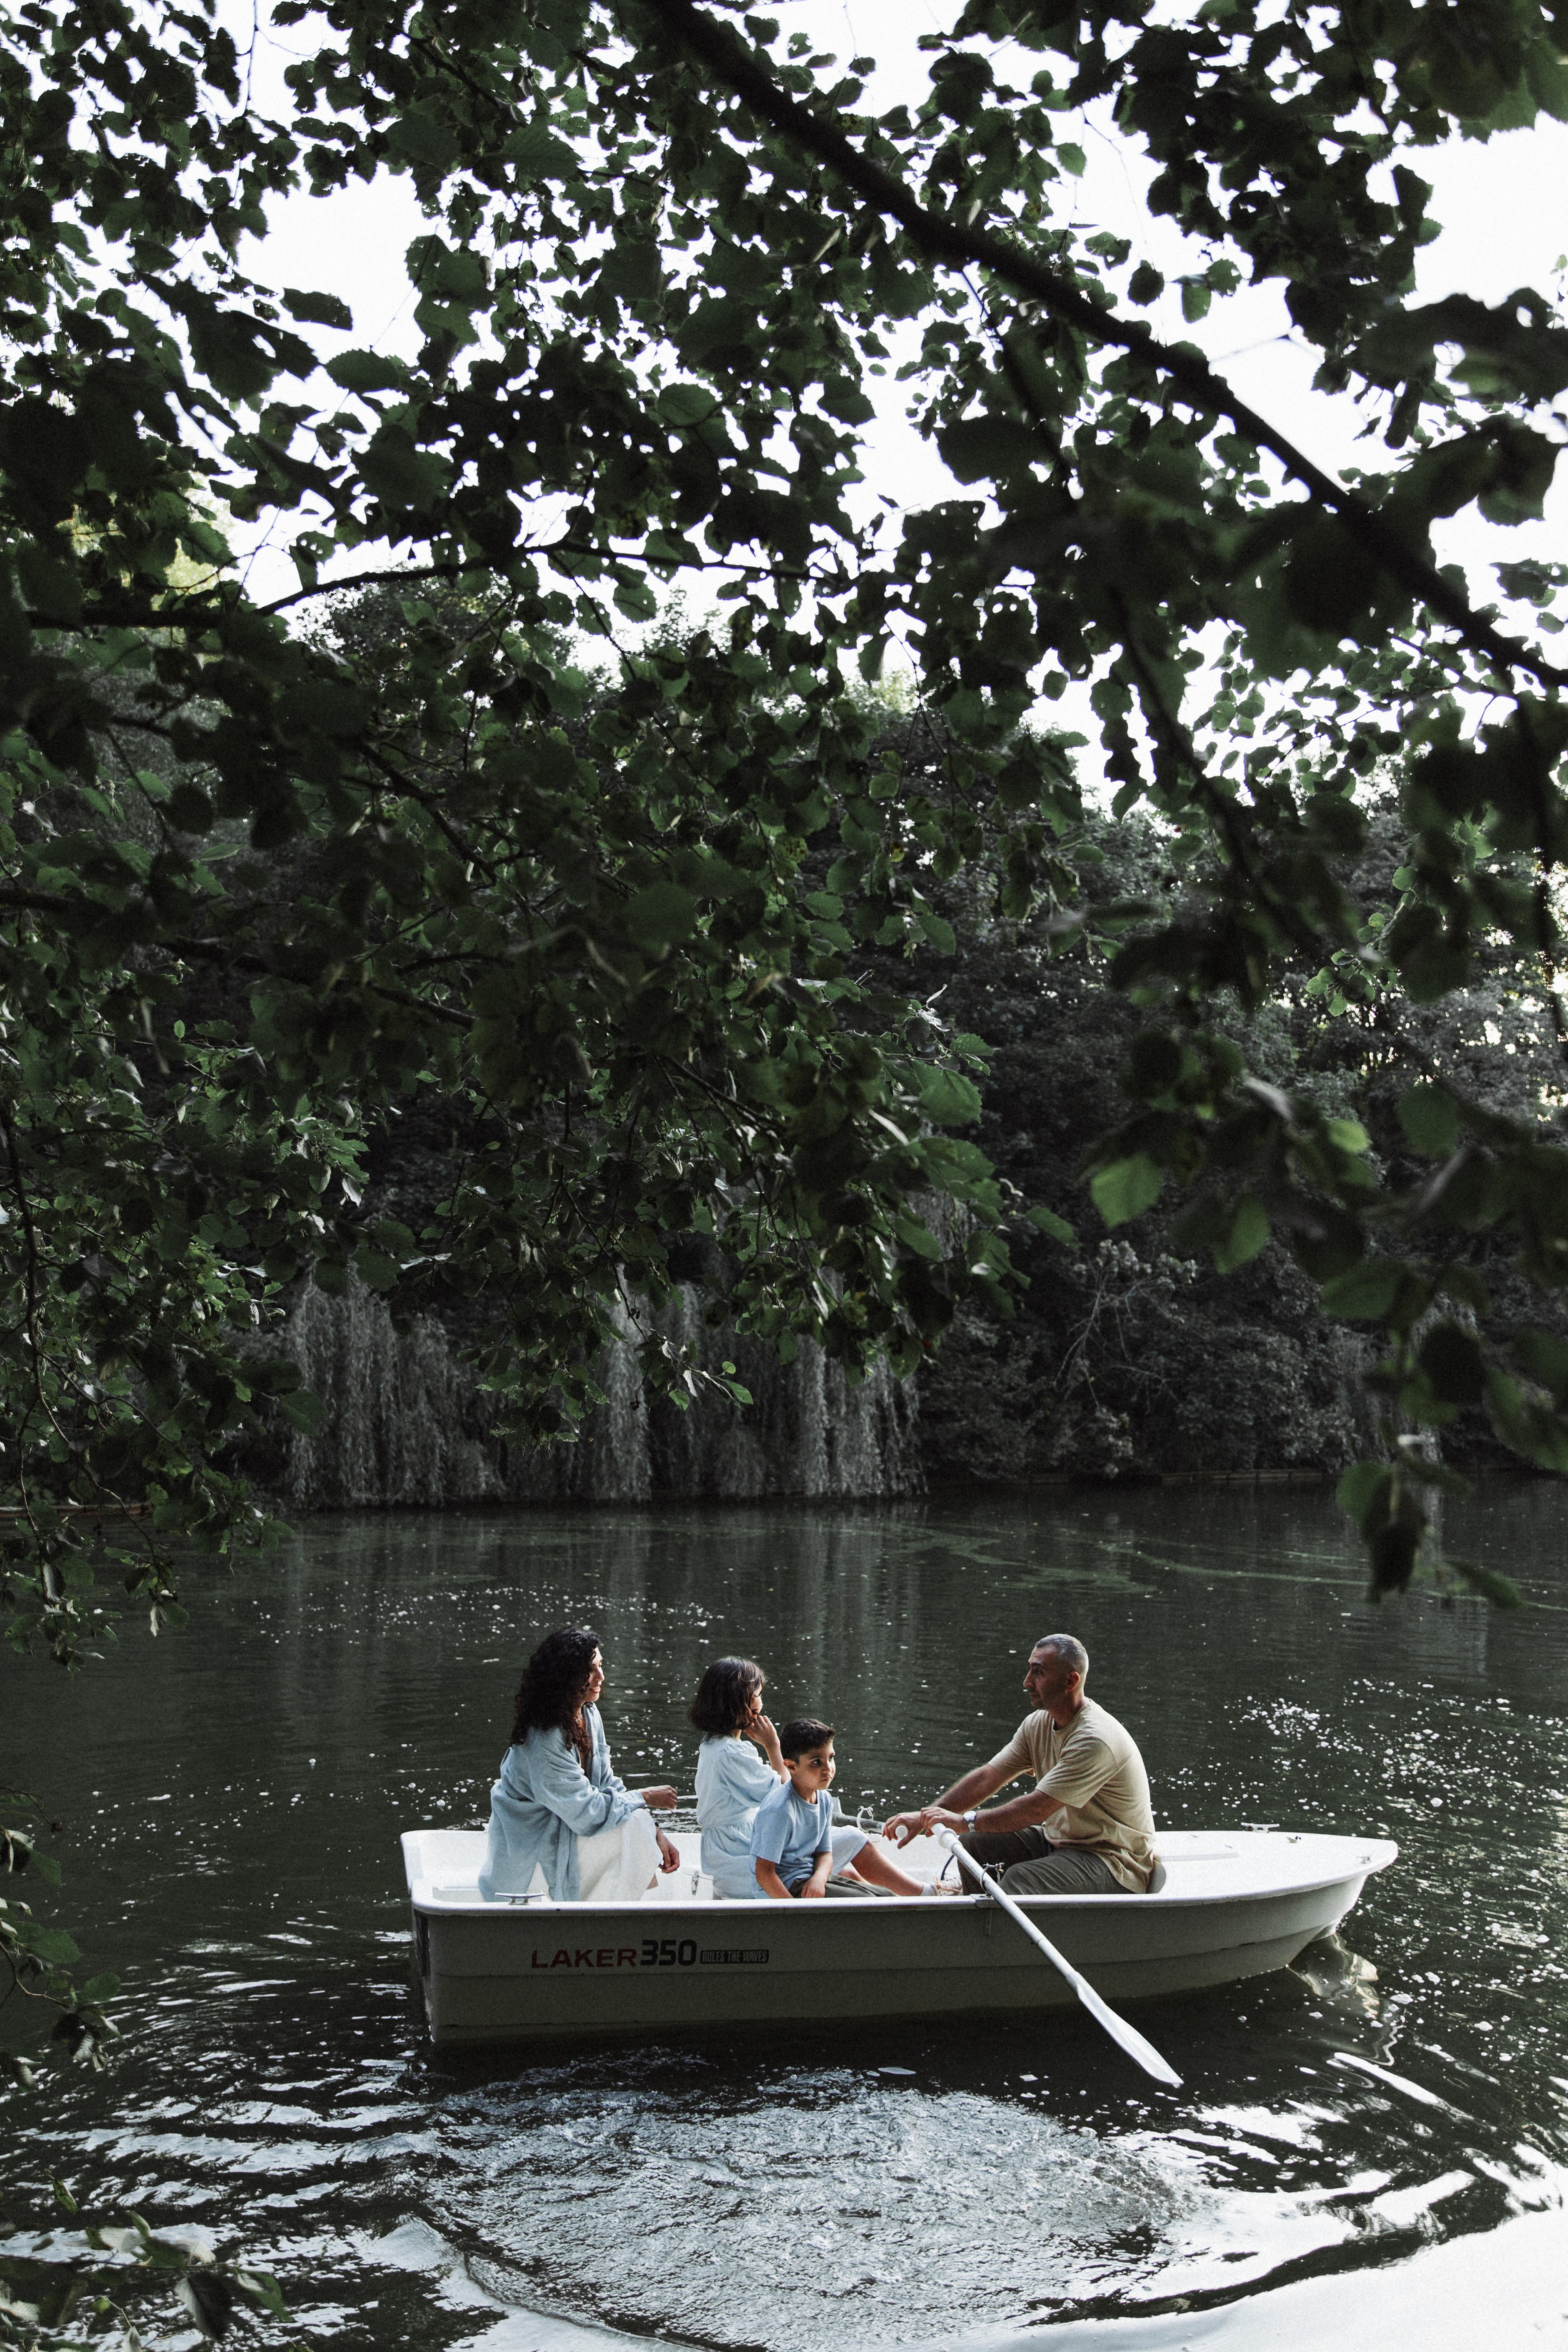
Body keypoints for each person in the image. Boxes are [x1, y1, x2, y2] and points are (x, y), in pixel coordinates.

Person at [883, 1633, 1157, 1896]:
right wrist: (927, 1816)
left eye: (1038, 1672)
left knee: (1021, 1878)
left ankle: (996, 1938)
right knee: (972, 1846)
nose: (1027, 1682)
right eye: (1029, 1670)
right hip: (1060, 1842)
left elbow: (1035, 1808)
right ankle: (975, 1923)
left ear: (1070, 1681)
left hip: (1113, 1862)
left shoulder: (1094, 1739)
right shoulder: (1038, 1723)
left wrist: (964, 1821)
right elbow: (987, 1777)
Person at [691, 1662, 938, 1900]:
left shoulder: (712, 1745)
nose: (762, 1702)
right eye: (757, 1694)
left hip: (725, 1857)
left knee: (844, 1870)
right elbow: (788, 1791)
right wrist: (773, 1746)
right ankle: (926, 1894)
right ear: (738, 1702)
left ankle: (884, 1901)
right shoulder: (732, 1754)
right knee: (854, 1838)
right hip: (743, 1861)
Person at [478, 1626, 681, 1902]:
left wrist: (654, 1829)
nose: (601, 1677)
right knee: (631, 1826)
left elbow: (606, 1782)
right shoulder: (545, 1739)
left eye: (601, 1666)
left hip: (568, 1829)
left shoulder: (588, 1712)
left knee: (636, 1825)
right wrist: (645, 1797)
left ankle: (626, 1914)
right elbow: (587, 1813)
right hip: (532, 1851)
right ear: (567, 1677)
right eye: (591, 1670)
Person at [749, 1716, 941, 1900]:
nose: (828, 1769)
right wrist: (794, 1912)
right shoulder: (780, 1810)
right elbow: (764, 1873)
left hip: (810, 1878)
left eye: (831, 1758)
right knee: (870, 1904)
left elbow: (824, 1853)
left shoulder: (823, 1799)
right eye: (816, 1762)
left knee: (886, 1897)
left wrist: (819, 1878)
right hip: (788, 1889)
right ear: (791, 1767)